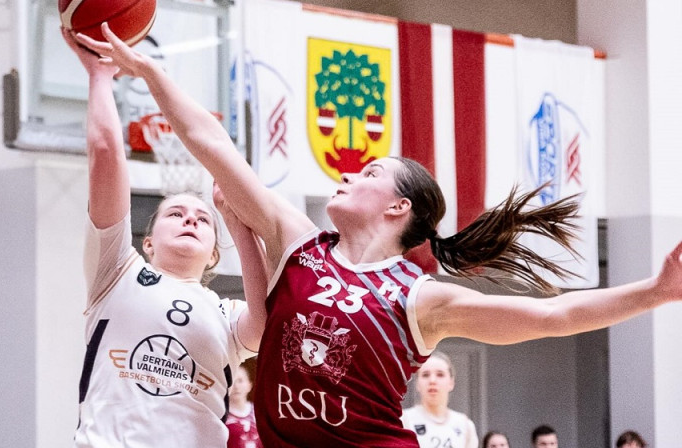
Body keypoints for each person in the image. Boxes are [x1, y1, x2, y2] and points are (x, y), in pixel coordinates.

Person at [75, 23, 682, 448]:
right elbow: (212, 144)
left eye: (367, 172)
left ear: (397, 207)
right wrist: (147, 71)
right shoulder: (297, 242)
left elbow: (554, 317)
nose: (345, 171)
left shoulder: (421, 298)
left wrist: (656, 291)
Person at [61, 28, 268, 447]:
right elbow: (105, 153)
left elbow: (266, 326)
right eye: (175, 213)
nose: (191, 219)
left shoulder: (225, 314)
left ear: (213, 253)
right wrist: (99, 78)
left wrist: (237, 222)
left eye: (203, 219)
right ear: (148, 242)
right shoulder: (117, 272)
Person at [401, 351, 478, 448]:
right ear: (417, 384)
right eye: (425, 375)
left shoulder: (465, 425)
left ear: (451, 382)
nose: (432, 381)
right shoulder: (403, 420)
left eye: (440, 374)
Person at [226, 363, 264, 448]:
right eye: (231, 382)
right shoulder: (221, 416)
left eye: (240, 381)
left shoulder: (260, 413)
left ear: (249, 385)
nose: (236, 386)